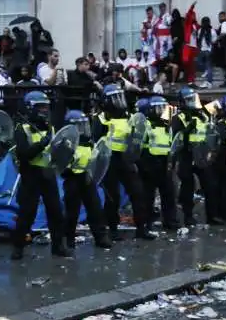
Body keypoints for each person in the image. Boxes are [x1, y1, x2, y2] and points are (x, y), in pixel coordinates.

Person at [11, 91, 71, 260]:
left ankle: (58, 246)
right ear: (31, 108)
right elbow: (23, 154)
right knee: (27, 213)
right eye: (40, 107)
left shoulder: (50, 127)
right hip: (31, 174)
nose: (44, 111)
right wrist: (40, 145)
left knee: (55, 211)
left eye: (46, 107)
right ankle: (18, 247)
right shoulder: (21, 128)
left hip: (48, 173)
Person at [92, 84, 156, 241]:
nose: (119, 101)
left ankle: (141, 228)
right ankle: (112, 229)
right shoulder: (99, 118)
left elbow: (136, 137)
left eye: (120, 97)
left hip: (126, 159)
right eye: (115, 98)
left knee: (138, 192)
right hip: (109, 160)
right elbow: (96, 141)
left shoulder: (129, 116)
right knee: (112, 197)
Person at [62, 110, 112, 250]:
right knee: (72, 211)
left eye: (84, 125)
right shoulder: (65, 143)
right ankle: (68, 239)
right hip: (72, 179)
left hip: (88, 178)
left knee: (95, 208)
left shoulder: (89, 142)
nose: (83, 128)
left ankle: (101, 237)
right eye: (79, 125)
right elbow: (60, 163)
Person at [172, 87, 221, 226]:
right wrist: (186, 131)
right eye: (189, 100)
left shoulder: (203, 115)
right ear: (182, 102)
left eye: (194, 99)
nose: (193, 103)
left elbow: (209, 131)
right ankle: (188, 216)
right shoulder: (178, 117)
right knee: (188, 187)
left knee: (210, 185)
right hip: (186, 154)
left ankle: (212, 216)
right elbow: (175, 138)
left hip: (201, 154)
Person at [140, 96, 179, 229]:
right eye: (159, 108)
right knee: (147, 196)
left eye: (164, 108)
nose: (162, 111)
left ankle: (171, 222)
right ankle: (146, 223)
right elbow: (139, 145)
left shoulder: (167, 126)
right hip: (149, 162)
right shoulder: (146, 125)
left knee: (169, 194)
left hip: (164, 162)